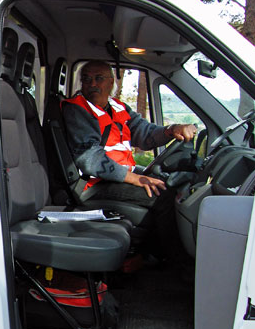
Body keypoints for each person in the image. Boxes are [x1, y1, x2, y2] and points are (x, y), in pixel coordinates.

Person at [63, 60, 197, 258]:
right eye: (86, 79)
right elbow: (89, 158)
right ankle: (176, 262)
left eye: (98, 79)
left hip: (118, 175)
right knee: (165, 196)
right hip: (93, 184)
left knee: (168, 183)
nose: (92, 84)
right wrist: (135, 179)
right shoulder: (77, 110)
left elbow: (145, 134)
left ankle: (153, 255)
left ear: (111, 83)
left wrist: (171, 130)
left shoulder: (118, 107)